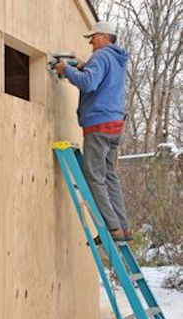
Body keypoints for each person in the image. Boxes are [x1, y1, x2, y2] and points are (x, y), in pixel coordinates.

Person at [55, 21, 132, 243]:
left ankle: (111, 229)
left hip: (98, 125)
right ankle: (123, 228)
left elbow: (89, 83)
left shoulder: (101, 56)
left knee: (94, 178)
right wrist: (81, 66)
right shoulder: (117, 59)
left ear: (106, 37)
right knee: (109, 176)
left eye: (93, 37)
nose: (90, 41)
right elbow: (97, 79)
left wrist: (66, 70)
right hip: (114, 125)